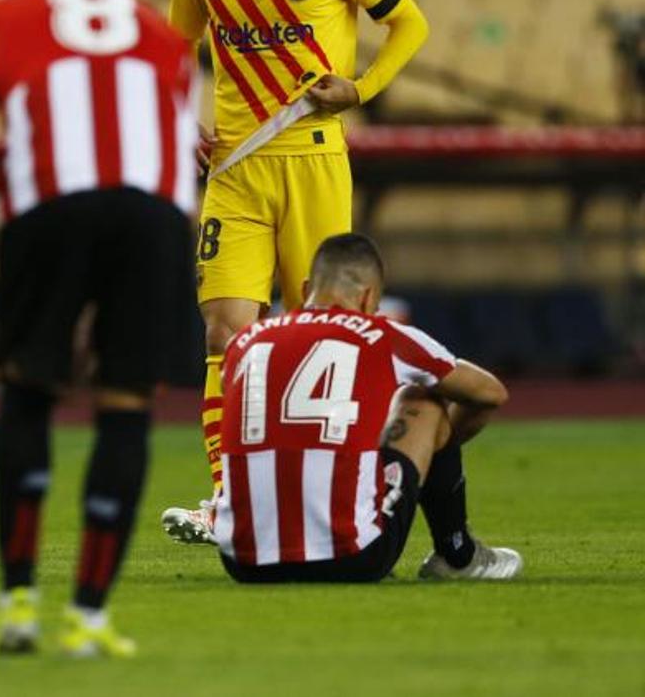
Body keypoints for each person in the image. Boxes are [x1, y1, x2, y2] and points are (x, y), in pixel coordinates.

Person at [0, 0, 200, 657]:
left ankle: (17, 604)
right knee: (125, 408)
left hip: (46, 206)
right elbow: (179, 161)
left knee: (27, 391)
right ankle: (88, 617)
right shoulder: (161, 31)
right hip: (153, 216)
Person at [161, 0, 431, 542]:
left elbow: (408, 23)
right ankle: (226, 501)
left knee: (320, 338)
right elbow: (175, 48)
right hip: (235, 172)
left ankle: (338, 490)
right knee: (226, 334)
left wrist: (363, 87)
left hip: (313, 158)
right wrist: (177, 117)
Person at [212, 233, 521, 583]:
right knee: (422, 400)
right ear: (369, 296)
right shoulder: (381, 333)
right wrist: (431, 452)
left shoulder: (246, 341)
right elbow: (489, 393)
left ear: (306, 286)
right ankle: (458, 554)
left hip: (244, 560)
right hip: (350, 556)